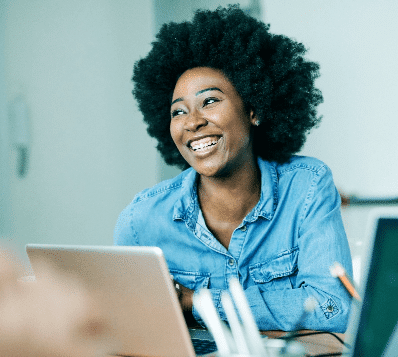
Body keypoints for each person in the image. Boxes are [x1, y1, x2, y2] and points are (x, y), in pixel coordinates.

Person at [114, 5, 353, 333]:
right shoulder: (140, 221)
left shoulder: (307, 188)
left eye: (209, 101)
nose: (193, 122)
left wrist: (195, 301)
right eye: (178, 112)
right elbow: (127, 327)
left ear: (253, 109)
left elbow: (332, 307)